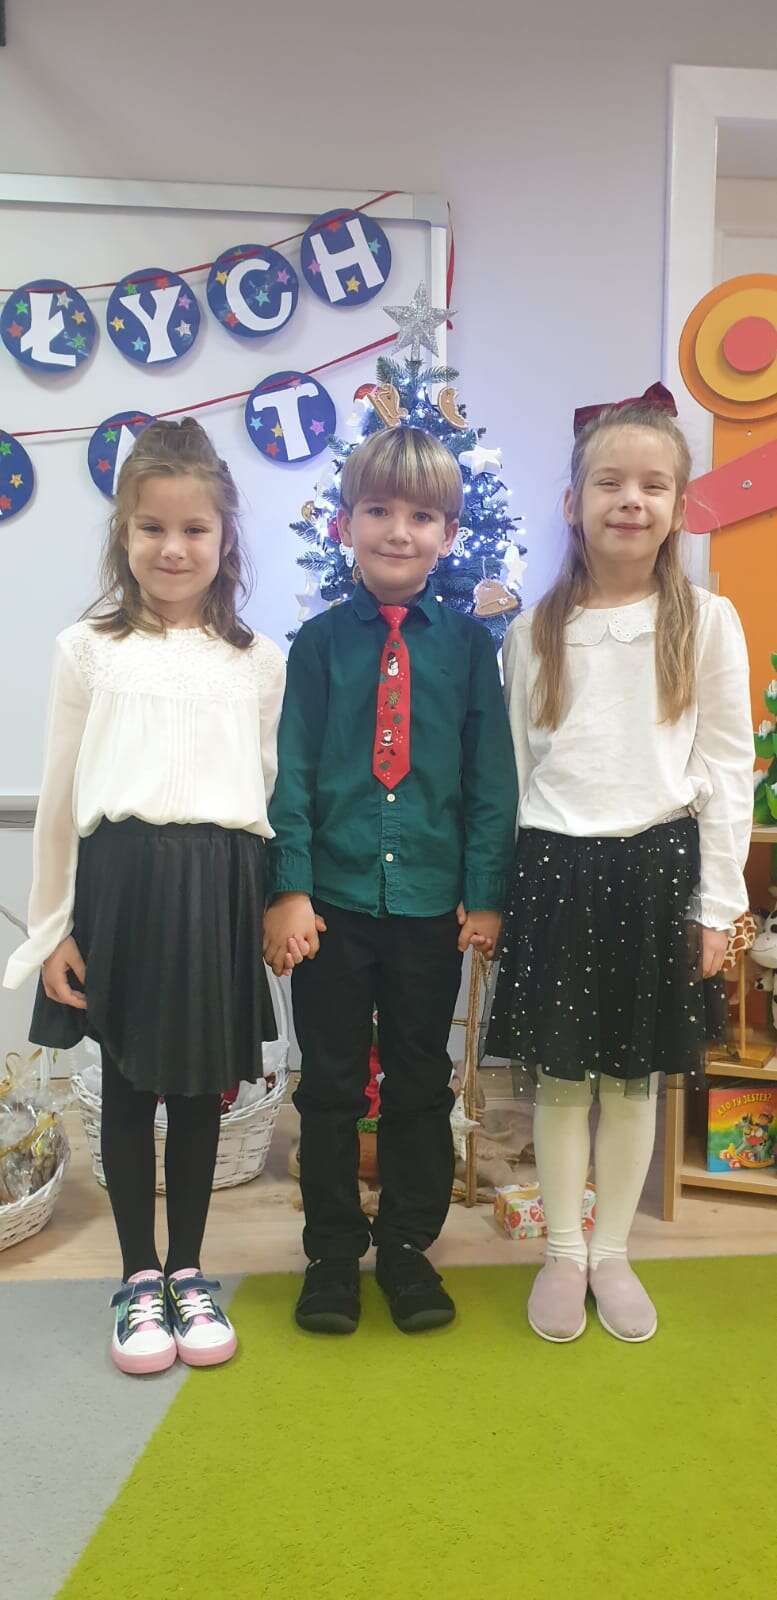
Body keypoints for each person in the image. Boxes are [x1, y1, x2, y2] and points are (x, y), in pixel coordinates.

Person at [3, 418, 285, 1375]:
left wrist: (267, 904)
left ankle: (189, 1273)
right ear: (122, 535)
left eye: (194, 529)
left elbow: (268, 793)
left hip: (220, 885)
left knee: (201, 1089)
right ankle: (136, 1279)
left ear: (224, 537)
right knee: (125, 1086)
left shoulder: (257, 658)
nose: (173, 548)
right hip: (119, 886)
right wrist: (54, 928)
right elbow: (59, 799)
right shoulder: (88, 650)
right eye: (151, 528)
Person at [485, 383, 753, 1344]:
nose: (628, 500)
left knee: (634, 1078)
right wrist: (499, 895)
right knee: (563, 1079)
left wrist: (717, 905)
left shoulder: (705, 622)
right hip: (555, 870)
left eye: (651, 485)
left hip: (657, 872)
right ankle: (563, 1251)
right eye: (608, 482)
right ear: (572, 502)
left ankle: (612, 1253)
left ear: (678, 506)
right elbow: (515, 772)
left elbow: (726, 767)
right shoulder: (533, 630)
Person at [264, 426, 518, 1335]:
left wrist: (485, 894)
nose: (398, 531)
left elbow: (491, 780)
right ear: (345, 524)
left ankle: (408, 1248)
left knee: (418, 1079)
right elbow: (291, 772)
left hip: (428, 907)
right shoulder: (316, 645)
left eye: (420, 516)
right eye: (378, 510)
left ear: (447, 534)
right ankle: (332, 1254)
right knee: (329, 1083)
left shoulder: (468, 648)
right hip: (332, 905)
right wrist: (288, 888)